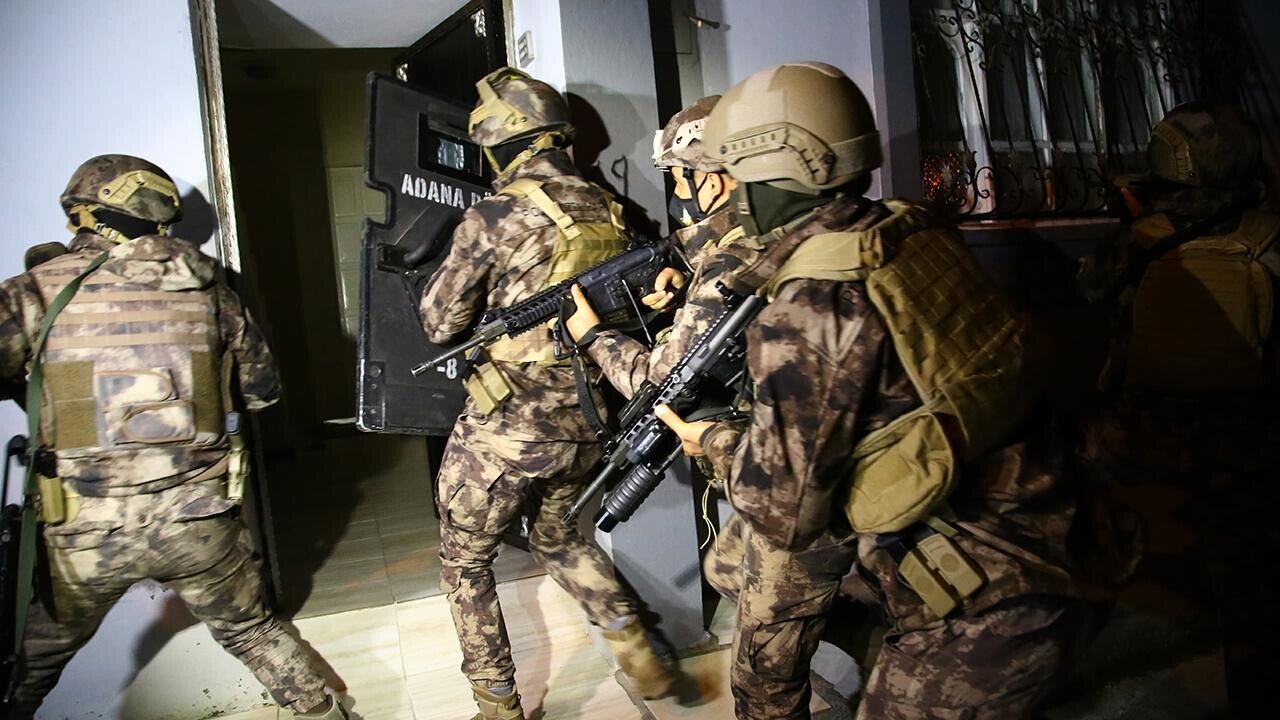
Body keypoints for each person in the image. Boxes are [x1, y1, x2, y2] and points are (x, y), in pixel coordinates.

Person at [656, 62, 1135, 719]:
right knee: (736, 566)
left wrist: (712, 438)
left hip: (986, 604)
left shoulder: (811, 305)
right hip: (1070, 528)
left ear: (774, 170)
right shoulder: (909, 233)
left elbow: (784, 513)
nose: (729, 191)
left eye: (735, 172)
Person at [0, 154, 346, 719]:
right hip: (198, 517)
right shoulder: (209, 291)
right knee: (253, 633)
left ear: (83, 213)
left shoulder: (36, 291)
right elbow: (262, 391)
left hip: (83, 529)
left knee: (26, 667)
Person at [418, 67, 674, 720]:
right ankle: (634, 646)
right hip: (587, 419)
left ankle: (497, 704)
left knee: (465, 562)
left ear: (498, 142)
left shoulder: (496, 213)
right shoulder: (608, 208)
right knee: (558, 536)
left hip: (506, 427)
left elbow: (440, 321)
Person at [1079, 102, 1280, 713]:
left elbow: (1093, 291)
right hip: (1248, 430)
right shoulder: (1269, 235)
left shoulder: (1138, 239)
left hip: (1146, 431)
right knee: (1249, 576)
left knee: (1088, 506)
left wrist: (1138, 222)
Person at [564, 95, 747, 397]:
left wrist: (593, 337)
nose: (678, 195)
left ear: (713, 184)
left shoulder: (727, 265)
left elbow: (660, 386)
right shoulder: (768, 235)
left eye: (680, 183)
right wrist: (687, 283)